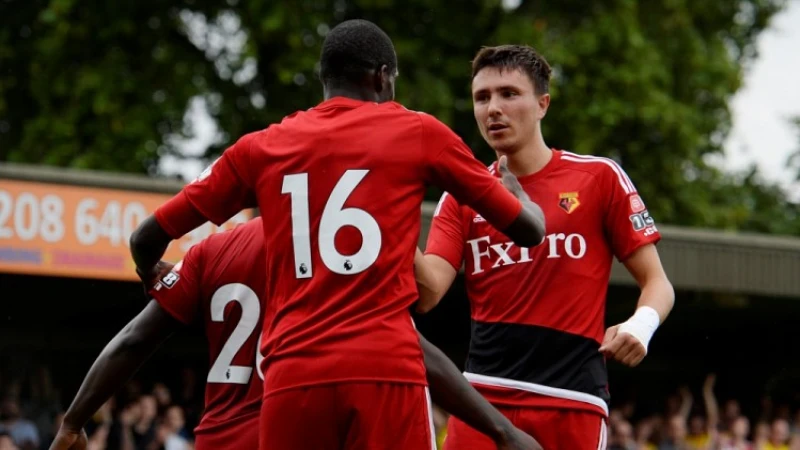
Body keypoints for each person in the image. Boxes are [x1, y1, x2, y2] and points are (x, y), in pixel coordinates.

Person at [128, 20, 546, 450]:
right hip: (385, 370)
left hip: (293, 378)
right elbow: (529, 232)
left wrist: (150, 272)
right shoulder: (418, 132)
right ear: (382, 76)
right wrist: (525, 201)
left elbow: (144, 239)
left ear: (325, 79)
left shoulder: (260, 147)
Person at [50, 218, 541, 450]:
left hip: (220, 439)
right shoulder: (335, 255)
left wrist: (73, 419)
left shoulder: (208, 253)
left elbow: (135, 340)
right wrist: (501, 429)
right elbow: (410, 348)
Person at [415, 44, 675, 449]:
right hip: (483, 402)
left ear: (543, 104)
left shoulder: (600, 178)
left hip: (572, 401)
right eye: (481, 97)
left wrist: (640, 326)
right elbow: (428, 293)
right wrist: (382, 221)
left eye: (508, 93)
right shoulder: (461, 195)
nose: (493, 108)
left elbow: (658, 283)